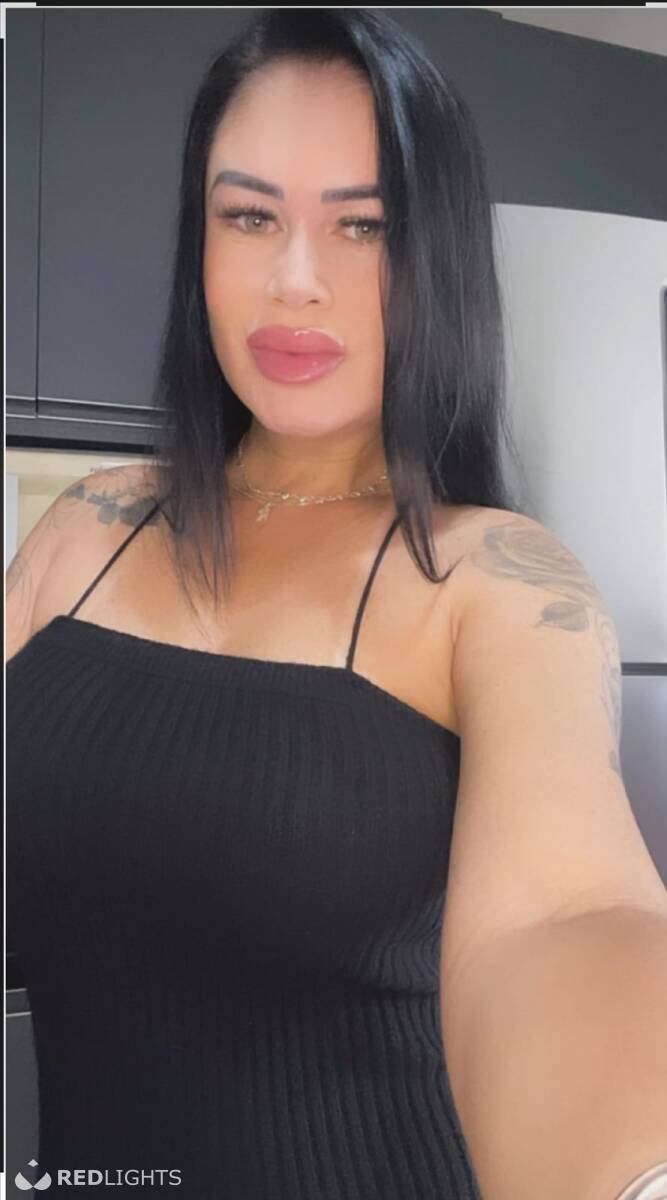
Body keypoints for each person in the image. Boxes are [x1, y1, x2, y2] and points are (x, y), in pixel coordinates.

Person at [7, 10, 532, 1197]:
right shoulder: (87, 526)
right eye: (249, 217)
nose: (295, 279)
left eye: (364, 225)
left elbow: (569, 916)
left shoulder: (495, 576)